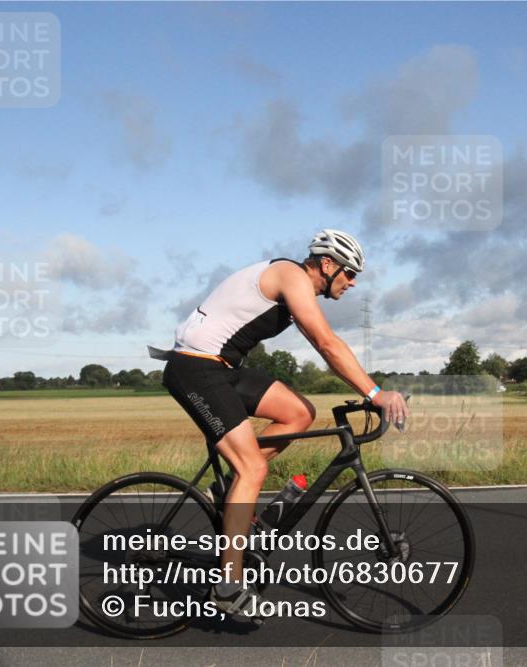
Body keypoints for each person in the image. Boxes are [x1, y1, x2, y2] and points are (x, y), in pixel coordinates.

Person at [154, 229, 409, 620]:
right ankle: (226, 586)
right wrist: (376, 393)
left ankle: (228, 492)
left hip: (222, 369)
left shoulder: (295, 285)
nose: (353, 281)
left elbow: (326, 345)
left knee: (299, 413)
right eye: (350, 272)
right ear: (327, 264)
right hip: (195, 369)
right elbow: (327, 344)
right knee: (253, 467)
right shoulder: (291, 276)